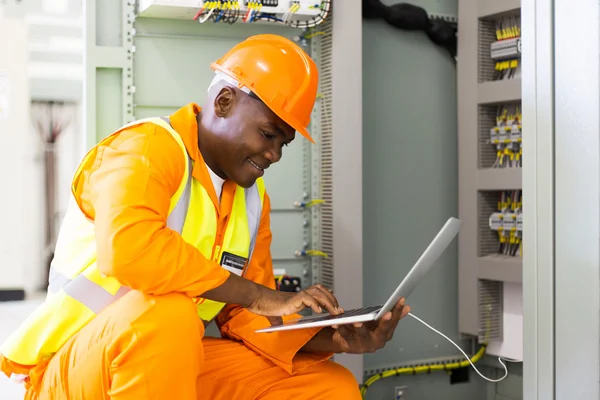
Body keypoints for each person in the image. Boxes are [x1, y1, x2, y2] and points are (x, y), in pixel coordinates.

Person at [0, 34, 410, 399]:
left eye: (283, 144)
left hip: (164, 366)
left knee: (326, 386)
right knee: (167, 315)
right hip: (70, 374)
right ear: (224, 102)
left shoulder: (251, 200)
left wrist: (332, 339)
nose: (274, 155)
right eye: (269, 134)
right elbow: (129, 252)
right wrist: (259, 295)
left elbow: (251, 320)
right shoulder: (144, 149)